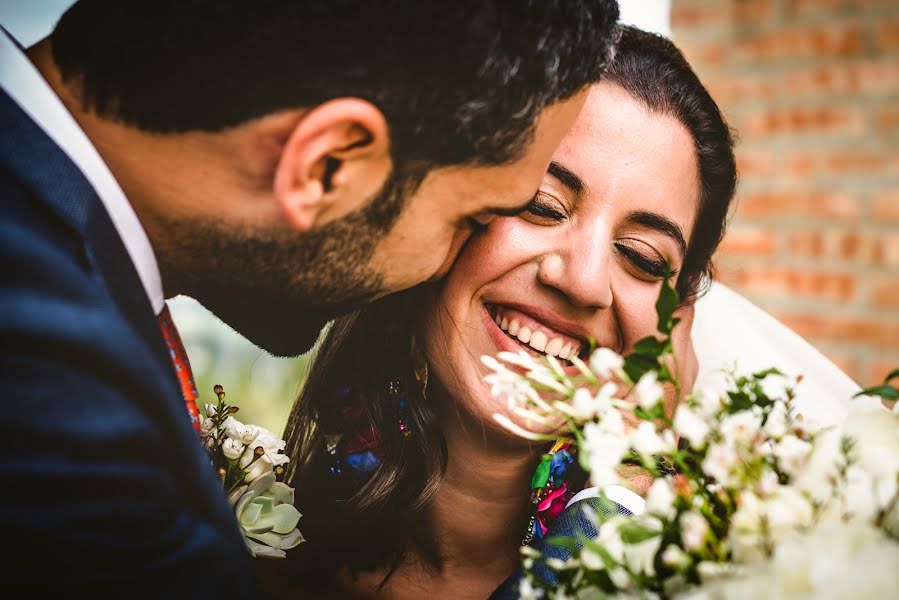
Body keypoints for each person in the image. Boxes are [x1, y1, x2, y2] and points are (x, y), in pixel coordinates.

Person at [0, 0, 621, 593]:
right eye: (470, 218)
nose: (443, 267)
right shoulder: (52, 380)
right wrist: (614, 514)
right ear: (326, 165)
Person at [271, 26, 737, 600]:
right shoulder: (246, 539)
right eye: (541, 204)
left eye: (642, 257)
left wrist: (629, 478)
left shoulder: (728, 579)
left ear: (678, 319)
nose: (584, 280)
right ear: (444, 210)